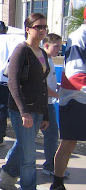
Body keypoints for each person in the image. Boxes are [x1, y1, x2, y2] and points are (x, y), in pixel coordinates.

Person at [0, 13, 50, 190]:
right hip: (23, 111)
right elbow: (13, 83)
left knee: (23, 146)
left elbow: (42, 86)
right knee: (30, 157)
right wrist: (24, 112)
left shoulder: (42, 53)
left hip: (38, 110)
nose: (42, 30)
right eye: (38, 26)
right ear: (28, 29)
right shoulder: (21, 50)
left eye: (45, 27)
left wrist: (45, 114)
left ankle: (7, 179)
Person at [48, 7, 86, 190]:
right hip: (74, 99)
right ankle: (56, 186)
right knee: (68, 143)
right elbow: (74, 74)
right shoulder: (78, 37)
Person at [40, 34, 68, 177]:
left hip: (47, 102)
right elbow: (43, 85)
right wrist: (59, 95)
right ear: (46, 45)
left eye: (60, 46)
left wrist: (57, 88)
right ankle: (50, 165)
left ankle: (11, 162)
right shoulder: (43, 59)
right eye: (56, 46)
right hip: (44, 102)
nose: (59, 49)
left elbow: (48, 83)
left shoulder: (49, 59)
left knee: (31, 135)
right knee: (51, 135)